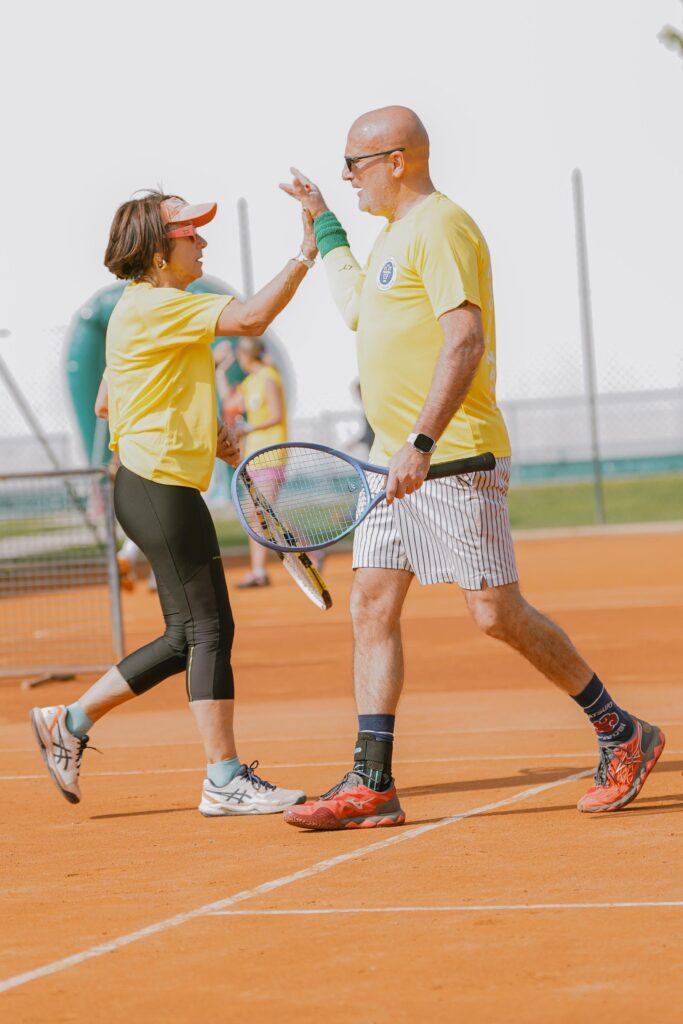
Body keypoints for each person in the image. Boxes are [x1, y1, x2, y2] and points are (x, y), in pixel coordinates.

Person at [279, 106, 665, 830]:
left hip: (452, 456)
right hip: (390, 464)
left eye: (354, 164)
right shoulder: (392, 235)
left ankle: (622, 732)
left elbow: (464, 340)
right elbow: (358, 306)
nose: (347, 175)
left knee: (494, 612)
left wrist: (422, 443)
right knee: (370, 605)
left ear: (397, 161)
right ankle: (371, 781)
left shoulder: (442, 226)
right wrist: (324, 222)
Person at [30, 189, 317, 817]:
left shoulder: (139, 310)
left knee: (187, 634)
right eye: (191, 235)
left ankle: (68, 721)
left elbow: (107, 401)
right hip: (158, 487)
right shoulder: (159, 305)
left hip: (150, 486)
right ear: (160, 253)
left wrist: (202, 429)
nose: (203, 243)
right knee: (211, 628)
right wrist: (305, 253)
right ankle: (223, 778)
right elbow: (252, 319)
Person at [215, 338, 287, 588]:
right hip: (254, 456)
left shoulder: (268, 377)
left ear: (246, 355)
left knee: (261, 513)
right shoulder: (250, 382)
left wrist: (249, 428)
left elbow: (276, 415)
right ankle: (259, 570)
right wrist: (220, 371)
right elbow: (229, 400)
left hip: (271, 454)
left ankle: (307, 551)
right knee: (256, 514)